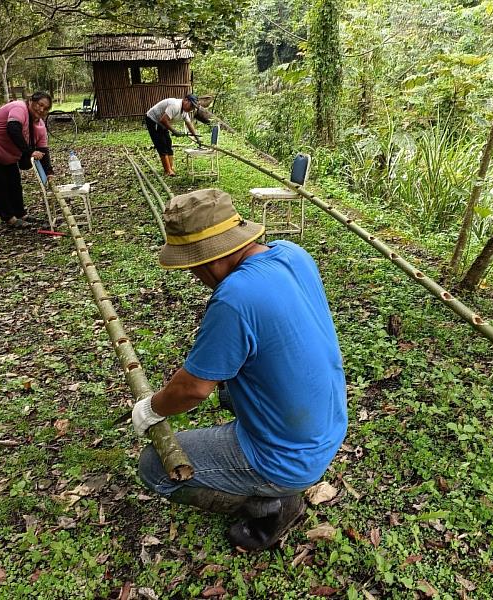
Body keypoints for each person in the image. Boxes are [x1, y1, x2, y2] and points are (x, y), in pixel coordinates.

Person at [134, 188, 347, 551]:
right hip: (329, 425)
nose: (194, 275)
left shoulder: (234, 298)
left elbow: (192, 389)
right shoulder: (292, 254)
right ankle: (276, 487)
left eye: (191, 266)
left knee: (153, 466)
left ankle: (272, 505)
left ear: (208, 260)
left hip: (289, 456)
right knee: (231, 382)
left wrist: (151, 408)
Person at [0, 91, 54, 229]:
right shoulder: (19, 108)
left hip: (6, 153)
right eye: (40, 104)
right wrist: (30, 152)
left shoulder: (40, 126)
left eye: (46, 108)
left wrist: (49, 172)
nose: (41, 109)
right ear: (31, 101)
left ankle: (21, 214)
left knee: (14, 182)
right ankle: (9, 217)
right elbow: (13, 129)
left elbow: (43, 151)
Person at [145, 93, 199, 176]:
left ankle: (170, 168)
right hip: (153, 120)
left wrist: (197, 138)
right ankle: (167, 171)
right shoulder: (175, 105)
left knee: (168, 143)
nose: (191, 109)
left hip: (162, 122)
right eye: (191, 106)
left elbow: (189, 124)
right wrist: (174, 131)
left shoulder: (184, 111)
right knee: (162, 144)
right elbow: (163, 120)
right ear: (185, 100)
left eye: (193, 108)